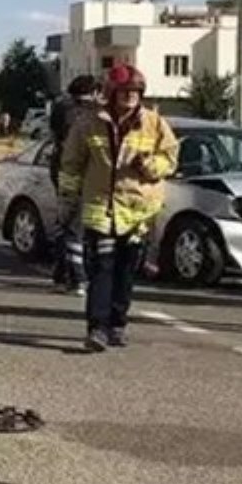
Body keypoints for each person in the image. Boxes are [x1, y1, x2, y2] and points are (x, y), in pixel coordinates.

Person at [58, 64, 179, 352]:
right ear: (111, 93)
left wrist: (149, 165)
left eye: (135, 92)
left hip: (138, 211)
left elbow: (170, 159)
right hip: (101, 208)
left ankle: (117, 323)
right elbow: (71, 164)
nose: (130, 97)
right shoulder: (88, 123)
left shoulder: (154, 123)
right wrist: (68, 199)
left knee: (125, 270)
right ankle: (97, 328)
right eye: (124, 92)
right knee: (102, 267)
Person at [48, 75, 101, 294]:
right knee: (76, 227)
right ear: (94, 92)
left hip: (62, 170)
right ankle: (78, 277)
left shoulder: (61, 109)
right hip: (86, 173)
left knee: (66, 222)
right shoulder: (95, 114)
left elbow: (54, 136)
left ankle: (63, 274)